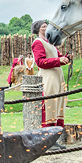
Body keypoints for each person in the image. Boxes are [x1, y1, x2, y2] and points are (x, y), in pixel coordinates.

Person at [31, 20, 70, 148]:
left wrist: (66, 58)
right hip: (48, 78)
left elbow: (58, 58)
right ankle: (46, 140)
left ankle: (54, 140)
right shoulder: (38, 43)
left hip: (57, 77)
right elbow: (40, 62)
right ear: (38, 30)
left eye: (46, 26)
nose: (46, 28)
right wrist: (58, 60)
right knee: (49, 107)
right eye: (43, 26)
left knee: (58, 105)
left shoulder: (50, 44)